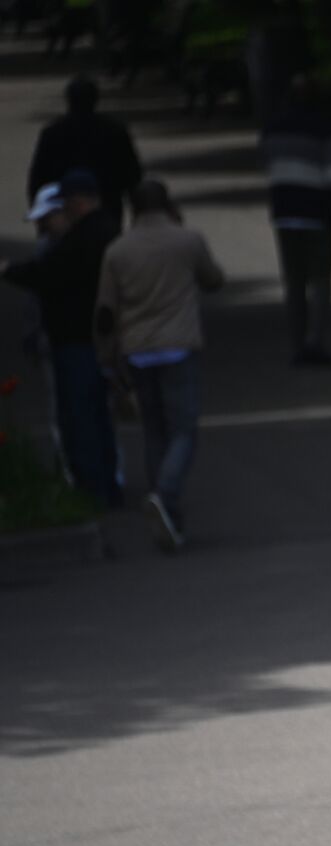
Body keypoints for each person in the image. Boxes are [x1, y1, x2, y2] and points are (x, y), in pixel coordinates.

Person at [95, 179, 224, 551]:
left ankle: (168, 515)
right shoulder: (187, 240)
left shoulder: (117, 251)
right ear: (168, 205)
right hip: (177, 345)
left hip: (137, 349)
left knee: (155, 431)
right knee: (183, 429)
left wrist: (106, 356)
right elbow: (214, 280)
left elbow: (105, 309)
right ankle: (165, 496)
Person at [1, 171, 121, 505]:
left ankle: (93, 488)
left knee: (81, 417)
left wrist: (9, 270)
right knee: (94, 416)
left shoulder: (84, 238)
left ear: (75, 203)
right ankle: (104, 483)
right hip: (89, 336)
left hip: (77, 338)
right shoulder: (102, 231)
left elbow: (51, 275)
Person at [260, 74, 331, 366]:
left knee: (294, 282)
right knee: (320, 280)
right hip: (317, 213)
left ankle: (297, 343)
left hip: (285, 212)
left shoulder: (273, 128)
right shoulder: (324, 129)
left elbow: (268, 162)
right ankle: (316, 342)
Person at [28, 75, 142, 225]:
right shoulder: (114, 130)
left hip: (66, 207)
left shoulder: (53, 133)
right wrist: (138, 208)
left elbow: (39, 178)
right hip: (107, 205)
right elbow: (132, 174)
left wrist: (40, 211)